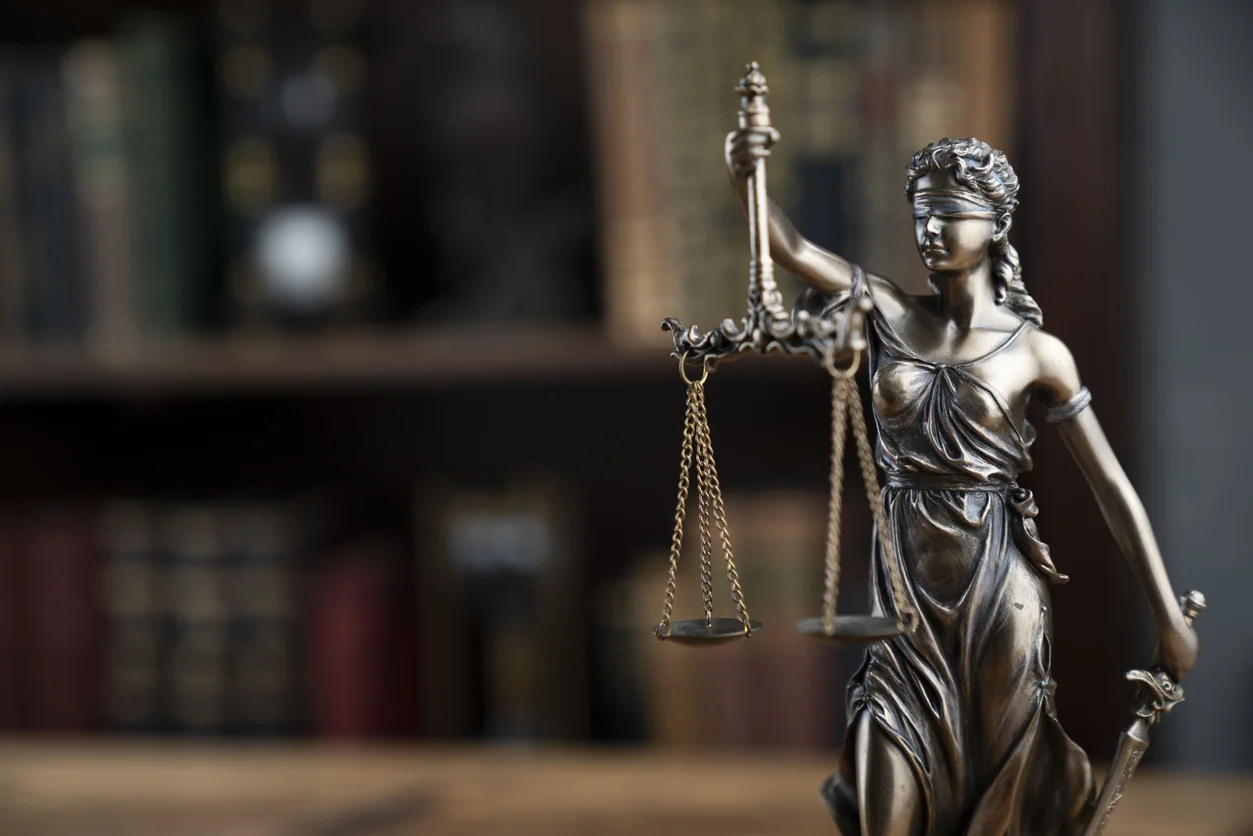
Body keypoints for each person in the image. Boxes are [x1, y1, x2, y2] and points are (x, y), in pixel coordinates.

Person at [725, 133, 1199, 836]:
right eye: (920, 212)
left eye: (949, 212)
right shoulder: (885, 310)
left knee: (996, 798)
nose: (930, 229)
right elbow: (789, 249)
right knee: (885, 779)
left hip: (997, 595)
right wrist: (745, 172)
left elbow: (1110, 486)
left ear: (997, 222)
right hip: (902, 594)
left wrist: (1165, 616)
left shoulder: (1037, 351)